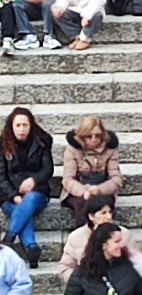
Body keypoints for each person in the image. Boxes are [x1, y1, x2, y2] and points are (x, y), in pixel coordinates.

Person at [0, 108, 52, 267]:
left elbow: (47, 169)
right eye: (18, 125)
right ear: (11, 127)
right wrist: (13, 195)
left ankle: (9, 237)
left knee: (28, 200)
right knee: (23, 212)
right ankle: (31, 248)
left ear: (31, 126)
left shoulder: (41, 142)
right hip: (9, 196)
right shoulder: (2, 145)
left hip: (37, 194)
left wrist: (34, 180)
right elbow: (1, 176)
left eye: (25, 125)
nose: (21, 129)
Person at [61, 115, 123, 230]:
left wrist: (99, 189)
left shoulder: (110, 150)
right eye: (88, 136)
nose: (94, 139)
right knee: (82, 204)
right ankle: (83, 236)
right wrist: (83, 191)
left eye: (98, 136)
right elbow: (67, 179)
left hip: (101, 187)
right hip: (78, 188)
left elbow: (116, 179)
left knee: (103, 204)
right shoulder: (72, 150)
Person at [58, 195, 120, 284]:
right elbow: (65, 267)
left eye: (110, 212)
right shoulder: (76, 237)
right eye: (103, 213)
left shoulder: (122, 234)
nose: (109, 217)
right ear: (91, 216)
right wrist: (80, 282)